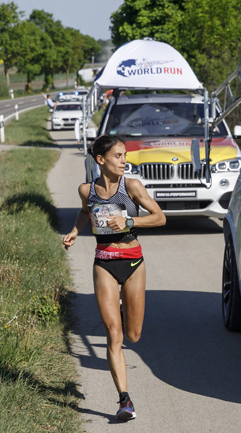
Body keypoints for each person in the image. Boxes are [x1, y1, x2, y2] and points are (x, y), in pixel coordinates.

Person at [62, 135, 166, 421]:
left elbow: (160, 217)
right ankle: (124, 400)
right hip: (104, 263)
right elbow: (86, 212)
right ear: (101, 160)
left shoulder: (131, 186)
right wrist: (74, 230)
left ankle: (124, 311)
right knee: (114, 335)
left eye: (124, 155)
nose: (124, 161)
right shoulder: (87, 190)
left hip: (132, 262)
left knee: (133, 334)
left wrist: (129, 221)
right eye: (118, 156)